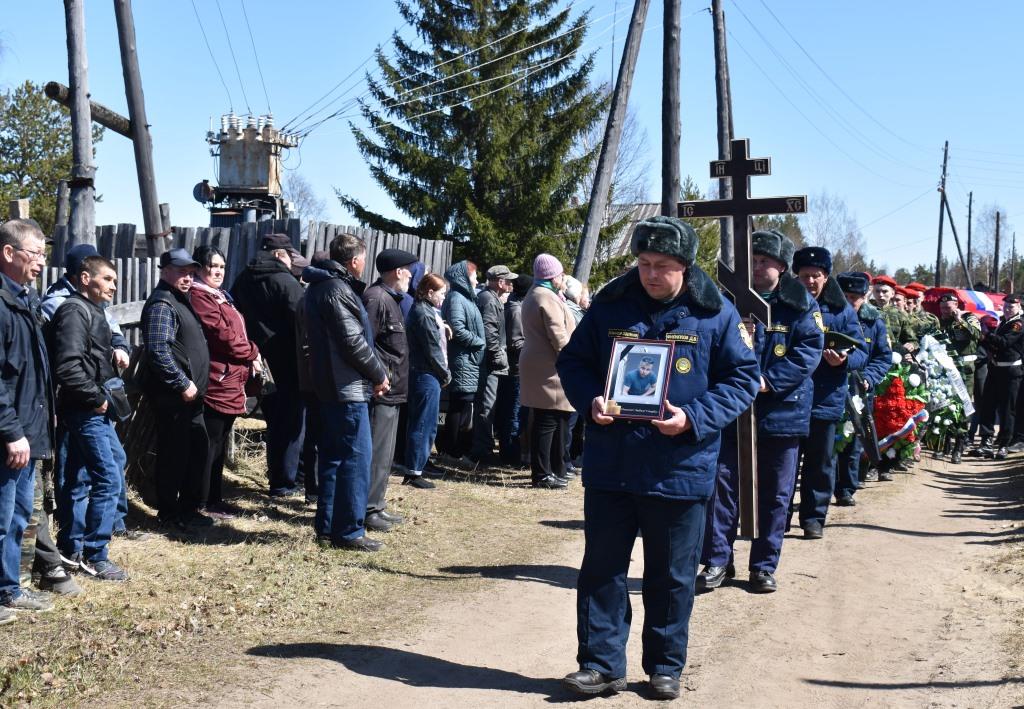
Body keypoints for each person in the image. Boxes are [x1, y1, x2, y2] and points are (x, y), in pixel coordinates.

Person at [557, 216, 760, 699]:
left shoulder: (715, 315)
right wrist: (591, 402)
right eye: (644, 263)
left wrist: (692, 418)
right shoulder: (610, 306)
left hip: (679, 467)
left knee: (671, 576)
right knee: (602, 569)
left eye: (663, 266)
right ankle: (601, 665)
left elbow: (743, 379)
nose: (650, 274)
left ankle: (665, 667)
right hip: (613, 464)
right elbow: (574, 362)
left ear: (685, 268)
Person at [699, 229, 822, 594]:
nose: (755, 267)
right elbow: (711, 345)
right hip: (730, 412)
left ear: (782, 267)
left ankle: (763, 565)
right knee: (722, 489)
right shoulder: (725, 301)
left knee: (776, 493)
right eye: (751, 261)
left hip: (781, 414)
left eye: (763, 261)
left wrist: (768, 381)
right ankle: (718, 559)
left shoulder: (800, 305)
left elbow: (807, 352)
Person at [303, 235, 389, 552]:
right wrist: (378, 373)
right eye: (363, 259)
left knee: (334, 458)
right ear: (354, 261)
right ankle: (349, 531)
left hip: (331, 386)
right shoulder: (336, 290)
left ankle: (327, 527)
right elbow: (352, 343)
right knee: (355, 459)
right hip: (346, 388)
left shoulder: (321, 287)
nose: (364, 265)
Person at [50, 255, 129, 580]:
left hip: (93, 410)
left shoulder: (93, 311)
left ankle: (71, 548)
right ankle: (95, 555)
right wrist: (96, 399)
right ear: (85, 278)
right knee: (107, 478)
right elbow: (67, 365)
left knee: (87, 474)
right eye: (108, 278)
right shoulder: (73, 311)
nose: (114, 285)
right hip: (85, 410)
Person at [0, 219, 56, 615]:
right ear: (8, 253)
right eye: (34, 254)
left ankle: (9, 589)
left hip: (27, 429)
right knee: (2, 517)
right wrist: (10, 431)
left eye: (42, 255)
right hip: (10, 434)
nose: (40, 262)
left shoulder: (26, 299)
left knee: (20, 515)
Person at [793, 247, 866, 539]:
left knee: (820, 462)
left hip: (826, 397)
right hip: (789, 397)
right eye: (804, 276)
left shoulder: (841, 310)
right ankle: (780, 516)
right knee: (783, 464)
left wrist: (845, 359)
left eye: (816, 276)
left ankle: (813, 518)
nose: (810, 282)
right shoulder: (786, 305)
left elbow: (862, 351)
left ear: (826, 277)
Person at [140, 248, 211, 531]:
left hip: (191, 397)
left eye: (191, 273)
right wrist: (182, 383)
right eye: (181, 272)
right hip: (175, 397)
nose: (187, 278)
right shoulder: (162, 304)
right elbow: (158, 350)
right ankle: (169, 514)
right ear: (165, 271)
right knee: (173, 457)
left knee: (192, 453)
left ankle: (188, 510)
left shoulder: (179, 300)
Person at [189, 245, 261, 520]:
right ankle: (201, 502)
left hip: (230, 378)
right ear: (199, 269)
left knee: (219, 443)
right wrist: (252, 351)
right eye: (212, 267)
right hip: (217, 378)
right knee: (209, 444)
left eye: (221, 266)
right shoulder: (200, 297)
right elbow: (225, 337)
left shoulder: (219, 295)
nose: (218, 271)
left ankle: (215, 499)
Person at [231, 233, 306, 497]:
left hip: (257, 362)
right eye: (289, 256)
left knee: (275, 423)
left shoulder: (241, 280)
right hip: (287, 362)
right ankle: (286, 483)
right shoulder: (285, 281)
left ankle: (279, 479)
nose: (291, 263)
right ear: (278, 255)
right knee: (292, 424)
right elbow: (303, 319)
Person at [362, 248, 418, 532]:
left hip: (393, 389)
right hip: (381, 389)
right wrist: (376, 378)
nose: (411, 275)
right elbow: (365, 344)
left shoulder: (391, 299)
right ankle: (367, 509)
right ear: (398, 271)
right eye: (409, 270)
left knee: (385, 454)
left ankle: (377, 505)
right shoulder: (376, 298)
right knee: (375, 452)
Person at [520, 254, 576, 490]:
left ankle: (556, 468)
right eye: (561, 275)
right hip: (549, 366)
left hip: (543, 363)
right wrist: (572, 359)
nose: (563, 278)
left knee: (557, 418)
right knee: (547, 420)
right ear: (553, 277)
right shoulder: (546, 296)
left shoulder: (538, 293)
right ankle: (542, 474)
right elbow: (558, 335)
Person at [834, 271, 891, 499]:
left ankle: (847, 488)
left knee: (853, 440)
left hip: (860, 389)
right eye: (845, 296)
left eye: (854, 297)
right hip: (832, 388)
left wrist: (869, 377)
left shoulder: (873, 321)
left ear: (864, 296)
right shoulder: (830, 316)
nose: (849, 302)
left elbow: (882, 357)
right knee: (829, 443)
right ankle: (828, 487)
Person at [404, 273, 451, 488]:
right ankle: (413, 471)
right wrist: (445, 373)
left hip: (429, 373)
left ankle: (420, 465)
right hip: (426, 374)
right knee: (423, 423)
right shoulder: (423, 313)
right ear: (430, 292)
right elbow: (432, 348)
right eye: (441, 293)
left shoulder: (427, 310)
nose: (443, 298)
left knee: (428, 423)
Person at [467, 265, 516, 466]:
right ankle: (481, 451)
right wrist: (498, 356)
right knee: (486, 406)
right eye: (508, 280)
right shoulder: (488, 299)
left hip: (494, 363)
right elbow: (489, 331)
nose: (511, 284)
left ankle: (484, 447)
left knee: (490, 405)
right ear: (499, 281)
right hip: (490, 364)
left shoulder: (492, 298)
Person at [440, 261, 484, 461]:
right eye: (474, 276)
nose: (477, 280)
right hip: (462, 359)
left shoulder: (467, 298)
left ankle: (458, 449)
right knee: (459, 405)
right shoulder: (457, 298)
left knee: (464, 405)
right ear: (465, 278)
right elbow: (456, 328)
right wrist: (478, 342)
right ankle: (452, 450)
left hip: (469, 360)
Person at [971, 294, 1024, 460]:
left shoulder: (1018, 324)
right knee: (988, 406)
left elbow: (1004, 343)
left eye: (1012, 307)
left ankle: (1004, 445)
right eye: (1006, 306)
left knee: (1008, 410)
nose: (1008, 309)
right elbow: (993, 344)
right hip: (995, 370)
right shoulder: (1003, 321)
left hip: (1011, 373)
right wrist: (983, 337)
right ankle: (986, 442)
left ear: (1019, 307)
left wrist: (986, 334)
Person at [936, 293, 981, 462]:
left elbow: (976, 335)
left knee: (962, 406)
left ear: (956, 305)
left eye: (948, 308)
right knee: (945, 405)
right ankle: (945, 443)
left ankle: (959, 446)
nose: (945, 311)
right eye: (942, 309)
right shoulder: (941, 322)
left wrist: (960, 321)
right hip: (946, 367)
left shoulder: (969, 318)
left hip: (964, 369)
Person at [495, 273, 532, 467]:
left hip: (518, 369)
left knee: (514, 411)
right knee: (514, 413)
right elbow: (516, 342)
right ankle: (510, 454)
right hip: (516, 369)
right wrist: (534, 346)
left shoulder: (516, 307)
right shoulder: (516, 310)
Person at [871, 275, 915, 350]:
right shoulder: (865, 310)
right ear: (873, 292)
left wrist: (911, 345)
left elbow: (911, 340)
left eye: (885, 291)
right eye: (877, 291)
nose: (880, 295)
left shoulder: (899, 315)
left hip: (893, 355)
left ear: (892, 293)